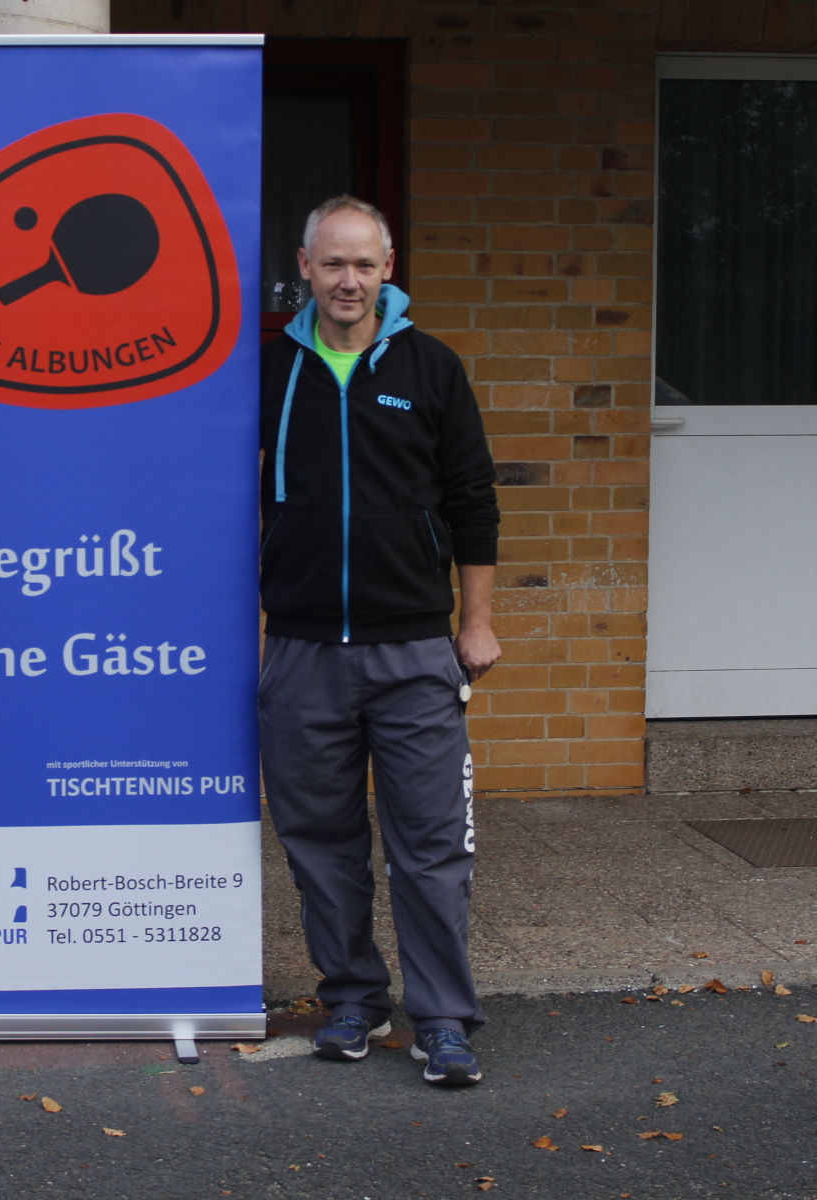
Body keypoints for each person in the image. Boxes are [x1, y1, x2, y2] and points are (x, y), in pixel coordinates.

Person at [258, 195, 501, 1088]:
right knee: (320, 841)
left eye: (364, 264)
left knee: (430, 846)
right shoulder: (270, 370)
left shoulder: (431, 368)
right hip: (302, 651)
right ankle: (354, 996)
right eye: (333, 263)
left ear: (387, 268)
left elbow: (473, 500)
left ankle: (443, 1018)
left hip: (413, 652)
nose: (348, 280)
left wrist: (476, 621)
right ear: (305, 267)